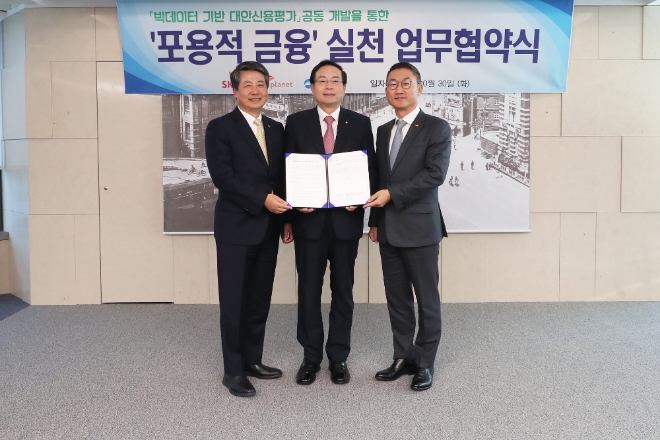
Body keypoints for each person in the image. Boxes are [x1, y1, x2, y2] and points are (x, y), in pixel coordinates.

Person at [284, 60, 377, 386]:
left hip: (345, 222)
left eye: (335, 80)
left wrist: (361, 198)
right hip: (307, 223)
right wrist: (290, 214)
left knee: (343, 292)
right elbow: (287, 172)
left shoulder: (360, 123)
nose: (328, 85)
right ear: (311, 87)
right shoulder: (295, 122)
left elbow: (370, 170)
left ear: (344, 87)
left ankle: (338, 357)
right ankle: (310, 358)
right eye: (321, 80)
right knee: (308, 292)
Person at [205, 61, 293, 398]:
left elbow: (281, 178)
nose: (255, 91)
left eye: (261, 84)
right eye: (248, 85)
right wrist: (262, 199)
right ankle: (233, 370)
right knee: (234, 301)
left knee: (259, 298)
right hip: (236, 227)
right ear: (234, 90)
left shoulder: (275, 128)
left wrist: (286, 219)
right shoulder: (220, 128)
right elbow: (224, 178)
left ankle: (253, 360)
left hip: (268, 227)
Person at [365, 62, 451, 392]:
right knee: (397, 298)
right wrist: (375, 221)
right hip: (388, 229)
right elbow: (379, 179)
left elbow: (434, 175)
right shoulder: (383, 130)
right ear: (386, 90)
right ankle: (403, 356)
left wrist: (392, 195)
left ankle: (425, 362)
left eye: (405, 83)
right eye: (392, 84)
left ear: (419, 88)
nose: (398, 89)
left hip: (420, 228)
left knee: (426, 299)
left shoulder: (436, 127)